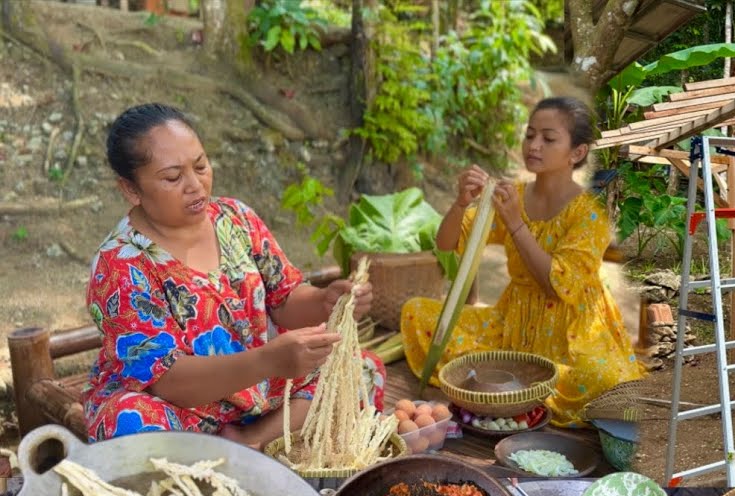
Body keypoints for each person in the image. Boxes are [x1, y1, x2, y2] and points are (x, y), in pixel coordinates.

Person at [82, 103, 384, 447]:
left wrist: (325, 301)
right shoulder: (120, 265)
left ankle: (251, 441)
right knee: (128, 422)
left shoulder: (235, 219)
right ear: (131, 189)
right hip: (183, 404)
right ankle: (259, 443)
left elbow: (284, 298)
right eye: (172, 177)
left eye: (201, 166)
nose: (196, 185)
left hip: (258, 389)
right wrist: (267, 361)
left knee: (358, 369)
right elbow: (169, 382)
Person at [401, 97, 645, 427]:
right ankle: (510, 380)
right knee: (416, 311)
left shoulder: (589, 215)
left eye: (548, 138)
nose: (534, 145)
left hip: (571, 328)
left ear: (577, 153)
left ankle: (501, 381)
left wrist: (516, 224)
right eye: (530, 135)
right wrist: (460, 203)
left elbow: (557, 286)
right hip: (512, 321)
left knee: (601, 377)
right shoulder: (512, 195)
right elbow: (447, 243)